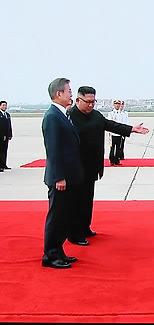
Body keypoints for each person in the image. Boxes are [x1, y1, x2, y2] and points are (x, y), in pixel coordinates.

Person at [68, 87, 149, 245]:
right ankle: (74, 233)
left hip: (92, 166)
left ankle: (85, 227)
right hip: (76, 166)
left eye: (93, 101)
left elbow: (111, 125)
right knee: (75, 201)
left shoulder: (96, 115)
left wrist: (131, 129)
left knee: (87, 199)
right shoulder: (70, 116)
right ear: (78, 100)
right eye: (88, 102)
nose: (91, 105)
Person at [41, 78, 84, 269]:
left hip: (68, 176)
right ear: (59, 93)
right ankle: (50, 256)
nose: (71, 94)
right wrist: (59, 176)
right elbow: (53, 149)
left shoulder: (62, 115)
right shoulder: (52, 116)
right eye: (69, 91)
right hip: (60, 178)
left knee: (64, 216)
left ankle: (59, 252)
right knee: (56, 217)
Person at [108, 100, 125, 165]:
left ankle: (117, 160)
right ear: (114, 105)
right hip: (113, 133)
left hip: (119, 133)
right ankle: (112, 160)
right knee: (112, 147)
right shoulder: (111, 113)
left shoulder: (122, 114)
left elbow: (123, 123)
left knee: (118, 147)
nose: (117, 105)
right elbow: (110, 123)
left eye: (118, 104)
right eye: (116, 104)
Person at [0, 100, 12, 171]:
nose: (4, 107)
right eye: (3, 105)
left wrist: (10, 134)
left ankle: (4, 164)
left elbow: (9, 126)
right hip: (0, 136)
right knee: (0, 151)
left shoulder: (7, 115)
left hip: (6, 136)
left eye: (5, 105)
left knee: (5, 150)